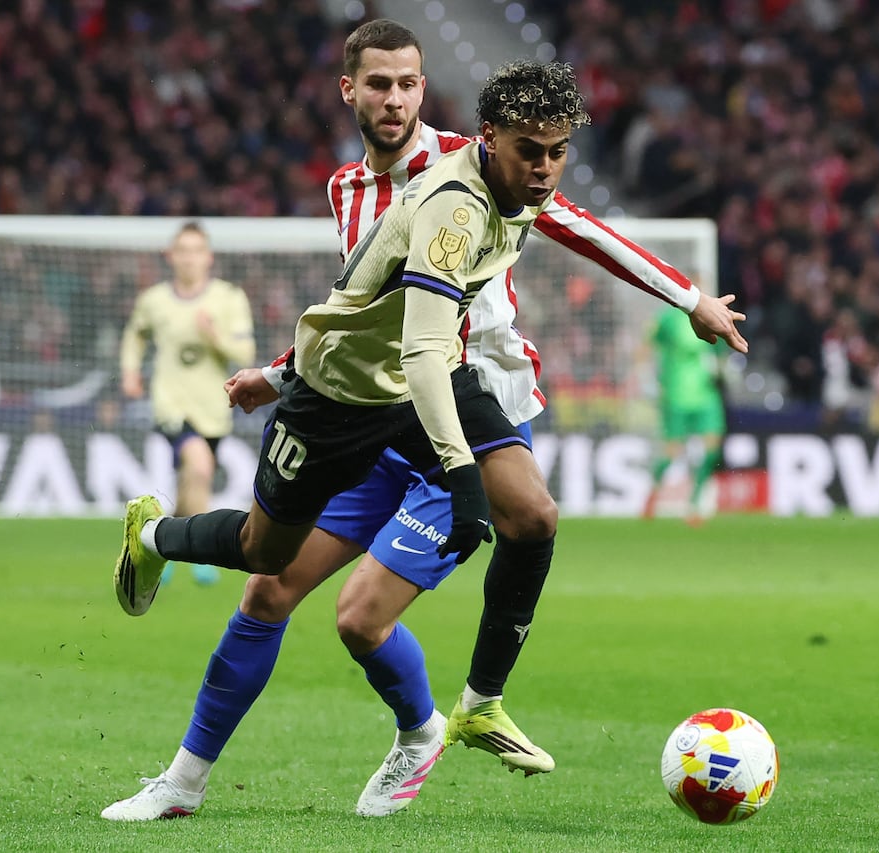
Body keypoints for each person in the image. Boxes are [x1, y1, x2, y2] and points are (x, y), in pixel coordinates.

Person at [104, 24, 746, 823]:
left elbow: (578, 225)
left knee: (372, 609)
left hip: (468, 409)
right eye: (379, 85)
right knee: (268, 586)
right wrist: (277, 375)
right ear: (351, 91)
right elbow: (362, 310)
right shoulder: (347, 190)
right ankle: (188, 780)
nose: (396, 99)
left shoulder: (484, 161)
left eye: (409, 83)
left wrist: (689, 298)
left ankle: (464, 710)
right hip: (378, 410)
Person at [119, 222, 256, 586]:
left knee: (190, 480)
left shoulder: (228, 298)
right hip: (170, 403)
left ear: (208, 258)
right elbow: (135, 335)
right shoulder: (154, 300)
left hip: (213, 407)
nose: (190, 259)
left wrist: (215, 336)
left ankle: (156, 544)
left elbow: (245, 352)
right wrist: (130, 371)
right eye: (183, 250)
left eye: (197, 251)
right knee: (199, 466)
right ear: (171, 256)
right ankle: (197, 554)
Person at [642, 304, 728, 524]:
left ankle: (695, 504)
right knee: (672, 453)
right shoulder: (669, 319)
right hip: (676, 396)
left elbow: (721, 354)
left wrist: (721, 371)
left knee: (711, 450)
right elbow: (647, 347)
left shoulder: (712, 317)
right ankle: (653, 493)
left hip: (707, 397)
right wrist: (650, 378)